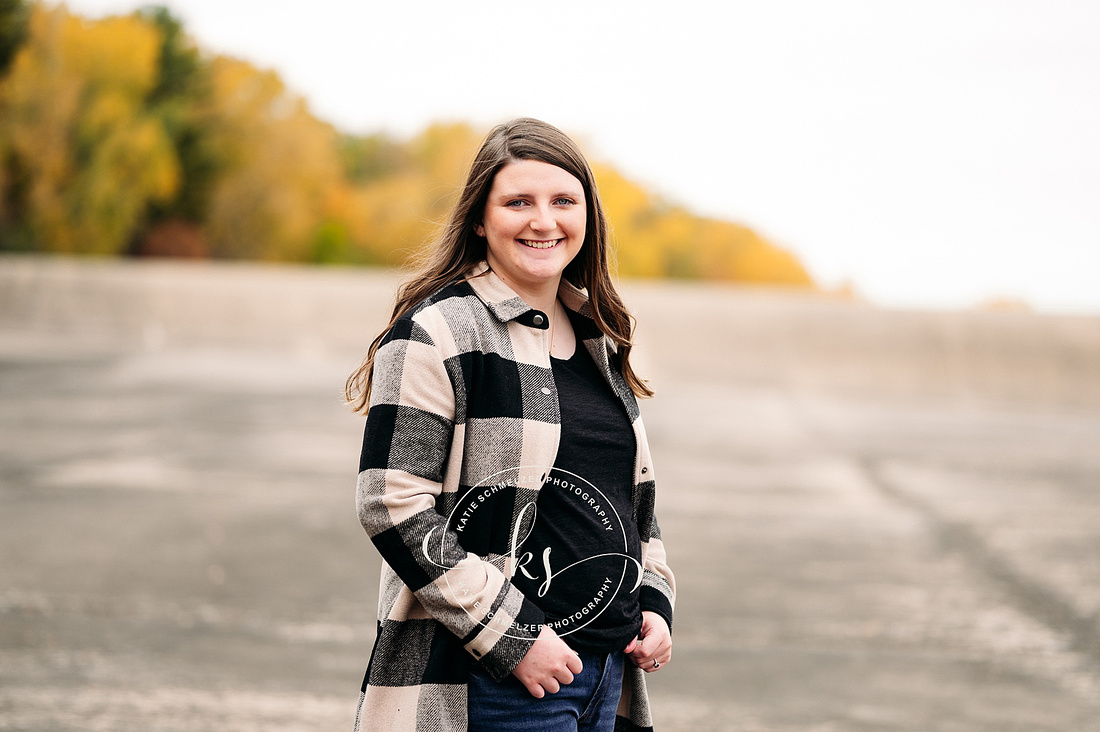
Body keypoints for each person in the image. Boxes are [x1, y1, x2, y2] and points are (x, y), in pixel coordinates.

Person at [346, 118, 675, 732]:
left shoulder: (602, 338)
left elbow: (633, 502)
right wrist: (512, 637)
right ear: (479, 217)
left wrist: (655, 603)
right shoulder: (440, 332)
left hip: (607, 674)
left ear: (588, 217)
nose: (543, 221)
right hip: (495, 681)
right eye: (518, 201)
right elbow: (390, 502)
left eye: (563, 201)